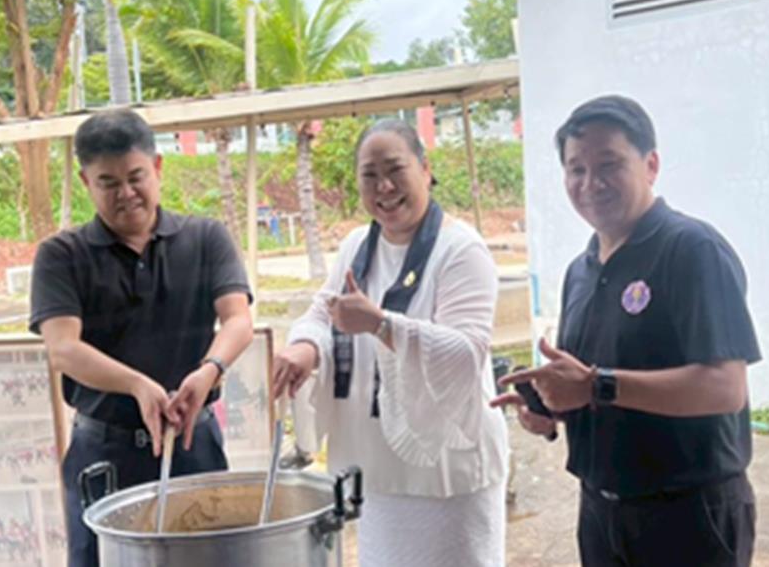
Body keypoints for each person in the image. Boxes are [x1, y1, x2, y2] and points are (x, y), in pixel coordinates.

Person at [495, 95, 761, 567]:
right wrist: (550, 412)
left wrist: (597, 384)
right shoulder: (582, 270)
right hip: (600, 514)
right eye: (575, 169)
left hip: (687, 518)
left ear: (651, 164)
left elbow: (725, 388)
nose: (590, 183)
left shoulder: (691, 249)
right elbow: (590, 383)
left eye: (609, 164)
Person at [272, 119, 509, 567]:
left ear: (425, 168)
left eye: (396, 169)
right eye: (369, 175)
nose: (384, 187)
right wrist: (305, 346)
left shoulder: (461, 250)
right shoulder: (358, 246)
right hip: (377, 465)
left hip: (445, 472)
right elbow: (324, 311)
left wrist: (382, 325)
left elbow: (467, 351)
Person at [30, 108, 253, 567]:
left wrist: (209, 371)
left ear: (157, 168)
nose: (126, 193)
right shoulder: (60, 256)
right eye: (108, 182)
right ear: (85, 181)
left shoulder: (206, 238)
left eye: (135, 176)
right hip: (105, 453)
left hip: (194, 444)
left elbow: (237, 320)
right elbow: (62, 347)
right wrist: (137, 385)